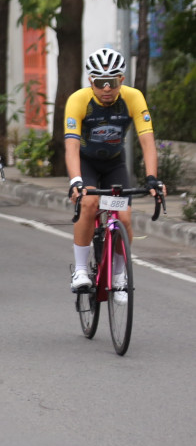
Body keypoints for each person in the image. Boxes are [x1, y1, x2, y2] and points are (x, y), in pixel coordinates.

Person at [64, 47, 164, 295]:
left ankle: (119, 275)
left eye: (112, 82)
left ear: (122, 79)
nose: (106, 88)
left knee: (125, 218)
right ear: (91, 81)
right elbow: (71, 146)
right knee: (89, 203)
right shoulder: (78, 100)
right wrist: (76, 181)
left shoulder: (133, 97)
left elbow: (147, 141)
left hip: (114, 163)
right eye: (100, 82)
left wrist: (152, 178)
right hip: (85, 162)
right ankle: (80, 270)